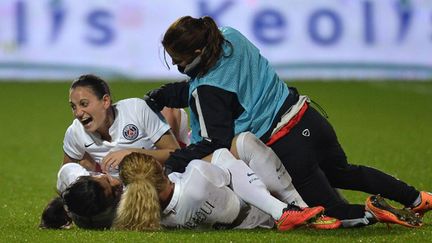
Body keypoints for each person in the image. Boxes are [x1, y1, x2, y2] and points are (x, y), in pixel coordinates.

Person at [145, 15, 430, 228]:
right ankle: (417, 198)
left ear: (196, 54)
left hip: (288, 145)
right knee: (344, 171)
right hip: (309, 117)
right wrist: (167, 94)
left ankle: (374, 213)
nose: (177, 66)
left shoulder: (207, 90)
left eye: (178, 60)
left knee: (328, 210)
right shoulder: (231, 36)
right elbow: (212, 88)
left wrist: (173, 161)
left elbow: (214, 141)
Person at [113, 151, 326, 231]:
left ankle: (293, 212)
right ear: (160, 168)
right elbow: (226, 163)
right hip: (258, 213)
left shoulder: (146, 215)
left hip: (234, 226)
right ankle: (288, 210)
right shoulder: (196, 177)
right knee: (236, 146)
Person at [63, 73, 181, 175]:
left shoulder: (136, 109)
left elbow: (175, 154)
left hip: (158, 181)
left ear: (105, 101)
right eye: (73, 107)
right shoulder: (75, 132)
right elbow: (66, 175)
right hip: (119, 191)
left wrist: (132, 154)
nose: (77, 113)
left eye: (84, 104)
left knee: (170, 112)